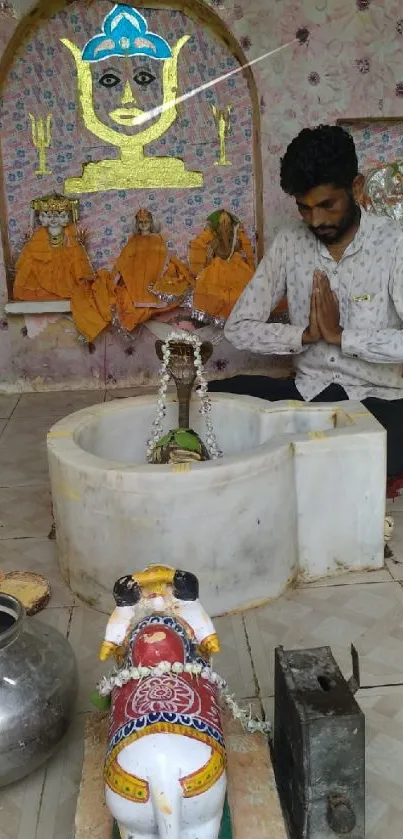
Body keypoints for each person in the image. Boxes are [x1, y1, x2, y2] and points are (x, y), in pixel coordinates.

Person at [209, 124, 403, 484]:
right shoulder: (289, 243)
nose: (316, 220)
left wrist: (343, 337)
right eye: (304, 208)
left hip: (381, 400)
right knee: (208, 401)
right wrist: (305, 334)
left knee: (354, 460)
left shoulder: (394, 244)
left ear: (356, 188)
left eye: (327, 204)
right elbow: (238, 328)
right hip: (308, 392)